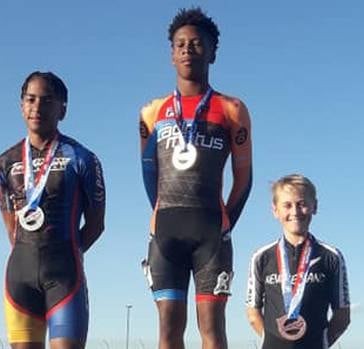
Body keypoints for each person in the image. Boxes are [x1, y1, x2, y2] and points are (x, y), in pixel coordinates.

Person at [139, 7, 253, 349]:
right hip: (166, 233)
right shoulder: (151, 111)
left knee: (212, 331)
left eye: (197, 44)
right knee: (168, 332)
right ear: (172, 54)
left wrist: (225, 223)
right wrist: (160, 213)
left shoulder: (232, 109)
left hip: (211, 234)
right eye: (181, 44)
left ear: (213, 52)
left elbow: (244, 176)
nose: (188, 49)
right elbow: (148, 172)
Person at [0, 71, 105, 349]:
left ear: (62, 109)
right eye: (30, 99)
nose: (37, 107)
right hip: (20, 273)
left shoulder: (82, 158)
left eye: (46, 100)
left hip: (65, 276)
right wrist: (31, 250)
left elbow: (96, 224)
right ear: (21, 106)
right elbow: (11, 227)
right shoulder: (3, 164)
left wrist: (68, 251)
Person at [246, 174, 350, 349]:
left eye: (301, 204)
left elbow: (342, 315)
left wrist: (322, 343)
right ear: (275, 210)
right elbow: (252, 312)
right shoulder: (261, 257)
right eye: (287, 205)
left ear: (314, 206)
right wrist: (271, 341)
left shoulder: (331, 256)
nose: (294, 212)